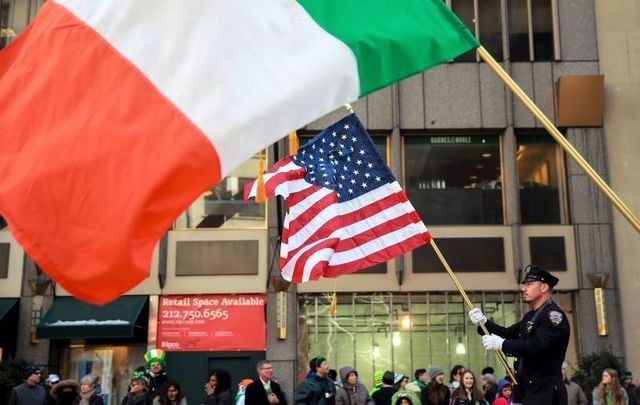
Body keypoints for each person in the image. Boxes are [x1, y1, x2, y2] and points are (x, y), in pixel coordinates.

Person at [469, 265, 570, 405]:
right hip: (527, 390)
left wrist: (502, 344)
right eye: (524, 285)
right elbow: (507, 334)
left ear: (544, 287)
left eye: (529, 284)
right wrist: (483, 322)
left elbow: (538, 346)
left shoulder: (553, 316)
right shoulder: (531, 316)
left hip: (545, 392)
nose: (524, 288)